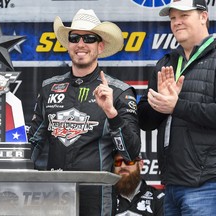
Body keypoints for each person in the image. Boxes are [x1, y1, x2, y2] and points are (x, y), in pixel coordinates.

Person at [28, 9, 141, 216]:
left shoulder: (119, 92)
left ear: (100, 46)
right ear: (68, 44)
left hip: (96, 196)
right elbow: (32, 144)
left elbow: (131, 152)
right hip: (54, 193)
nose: (81, 44)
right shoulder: (49, 88)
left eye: (89, 38)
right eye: (74, 37)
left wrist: (111, 113)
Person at [137, 0, 216, 215]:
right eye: (172, 18)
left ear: (203, 16)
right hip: (171, 183)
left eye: (184, 16)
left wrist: (177, 106)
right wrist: (160, 103)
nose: (176, 23)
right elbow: (145, 121)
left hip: (208, 183)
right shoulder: (166, 63)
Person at [112, 150, 164, 216]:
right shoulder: (106, 198)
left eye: (128, 161)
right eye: (118, 162)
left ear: (140, 164)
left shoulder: (158, 199)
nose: (122, 166)